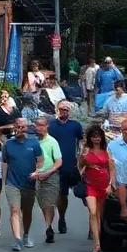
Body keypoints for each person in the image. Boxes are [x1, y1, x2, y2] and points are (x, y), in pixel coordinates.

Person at [1, 116, 43, 252]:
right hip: (12, 183)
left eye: (22, 126)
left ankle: (26, 235)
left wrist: (37, 171)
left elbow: (40, 160)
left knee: (27, 211)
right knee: (14, 210)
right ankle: (17, 240)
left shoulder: (34, 143)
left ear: (27, 128)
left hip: (29, 183)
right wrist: (3, 182)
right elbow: (4, 163)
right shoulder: (8, 144)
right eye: (17, 126)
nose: (20, 129)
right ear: (14, 127)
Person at [49, 100, 85, 236]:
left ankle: (62, 217)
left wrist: (80, 161)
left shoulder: (75, 126)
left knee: (64, 195)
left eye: (66, 109)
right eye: (61, 109)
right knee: (54, 194)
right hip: (53, 165)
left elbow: (81, 143)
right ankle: (52, 223)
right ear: (57, 110)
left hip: (69, 164)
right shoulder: (51, 126)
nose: (64, 111)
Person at [79, 123, 116, 252]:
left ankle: (100, 238)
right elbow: (80, 166)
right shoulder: (86, 150)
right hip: (90, 184)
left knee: (100, 214)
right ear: (90, 138)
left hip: (104, 184)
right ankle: (97, 243)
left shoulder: (107, 151)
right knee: (93, 212)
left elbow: (112, 169)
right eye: (94, 137)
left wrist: (110, 184)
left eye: (98, 136)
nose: (96, 139)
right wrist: (83, 156)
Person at [32, 116, 63, 244]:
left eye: (42, 125)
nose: (39, 128)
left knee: (49, 203)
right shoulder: (33, 142)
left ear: (47, 126)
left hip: (50, 175)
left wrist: (48, 172)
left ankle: (49, 227)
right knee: (42, 203)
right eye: (37, 125)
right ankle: (48, 224)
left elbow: (58, 161)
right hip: (36, 176)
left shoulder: (52, 141)